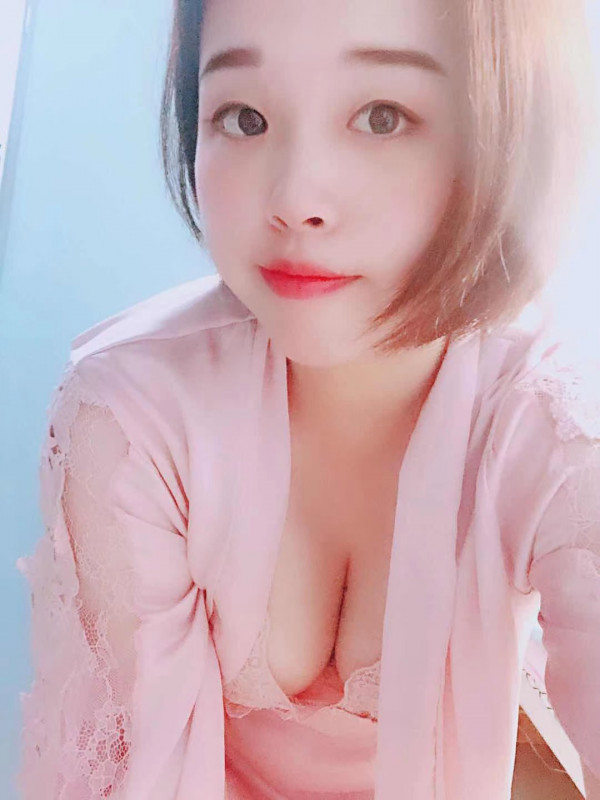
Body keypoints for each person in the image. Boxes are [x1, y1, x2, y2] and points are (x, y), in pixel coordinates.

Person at [15, 0, 600, 798]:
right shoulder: (132, 413)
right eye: (244, 117)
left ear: (508, 126)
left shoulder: (556, 427)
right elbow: (133, 774)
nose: (295, 198)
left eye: (382, 116)